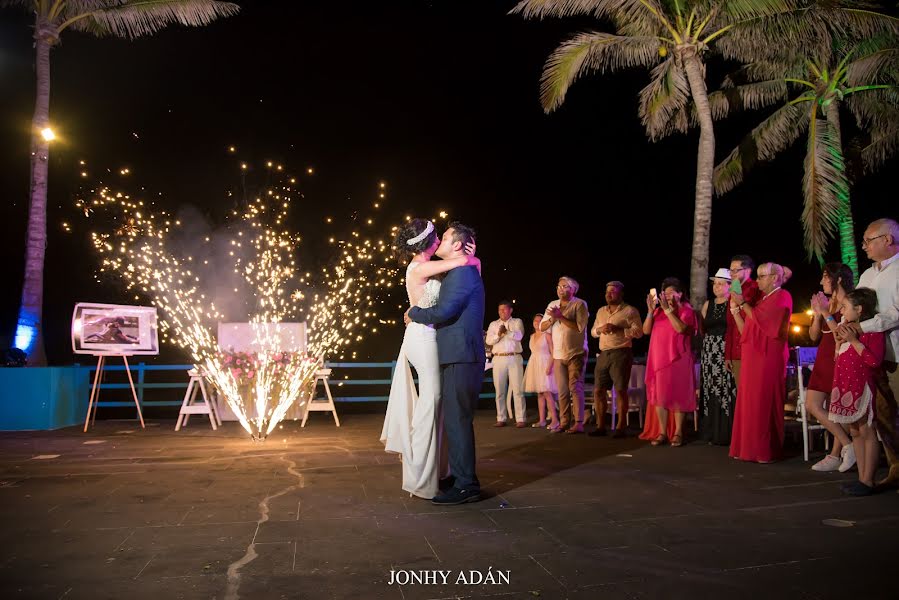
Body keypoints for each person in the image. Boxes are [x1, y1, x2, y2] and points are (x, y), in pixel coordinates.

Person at [380, 219, 478, 500]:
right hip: (421, 338)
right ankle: (420, 476)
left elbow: (465, 264)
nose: (440, 241)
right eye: (438, 236)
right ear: (430, 242)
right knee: (431, 402)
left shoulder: (426, 264)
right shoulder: (421, 267)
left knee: (436, 405)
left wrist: (469, 255)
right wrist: (469, 253)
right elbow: (463, 264)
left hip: (427, 335)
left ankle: (436, 471)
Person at [406, 221, 486, 505]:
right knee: (454, 419)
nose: (439, 241)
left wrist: (414, 313)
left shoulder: (462, 272)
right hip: (456, 353)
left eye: (446, 236)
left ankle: (467, 485)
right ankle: (457, 475)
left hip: (461, 354)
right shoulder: (461, 268)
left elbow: (445, 309)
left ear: (456, 245)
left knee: (458, 420)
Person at [841, 218, 899, 487]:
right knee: (883, 416)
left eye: (869, 241)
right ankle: (894, 469)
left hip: (895, 352)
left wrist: (860, 326)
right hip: (873, 356)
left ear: (888, 240)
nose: (864, 246)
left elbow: (895, 314)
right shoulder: (867, 275)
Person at [729, 262, 793, 463]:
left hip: (768, 357)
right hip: (752, 356)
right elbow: (747, 327)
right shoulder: (762, 299)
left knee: (764, 402)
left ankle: (765, 450)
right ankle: (747, 448)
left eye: (762, 276)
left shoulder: (782, 296)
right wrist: (735, 307)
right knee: (749, 401)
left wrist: (743, 305)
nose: (757, 281)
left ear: (774, 278)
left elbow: (763, 322)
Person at [828, 288, 885, 496]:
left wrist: (854, 341)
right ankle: (861, 478)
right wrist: (839, 343)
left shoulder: (871, 331)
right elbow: (839, 358)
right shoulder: (846, 328)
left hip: (862, 386)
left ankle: (868, 480)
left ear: (859, 309)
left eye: (845, 307)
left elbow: (873, 361)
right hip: (846, 385)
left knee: (867, 431)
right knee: (855, 431)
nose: (841, 310)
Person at [807, 263, 855, 473]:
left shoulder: (848, 302)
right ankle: (848, 444)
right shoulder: (827, 303)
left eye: (825, 277)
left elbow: (841, 335)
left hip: (840, 357)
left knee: (837, 409)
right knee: (812, 404)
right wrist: (818, 314)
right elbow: (813, 336)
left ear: (839, 279)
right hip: (823, 357)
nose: (821, 282)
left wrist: (825, 312)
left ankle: (836, 454)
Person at [639, 277, 697, 447]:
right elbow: (646, 330)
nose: (668, 295)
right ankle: (662, 432)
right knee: (660, 396)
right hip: (659, 359)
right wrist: (650, 311)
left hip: (679, 359)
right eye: (666, 293)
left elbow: (681, 329)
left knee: (679, 394)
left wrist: (669, 311)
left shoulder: (687, 311)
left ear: (680, 294)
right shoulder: (658, 312)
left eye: (672, 292)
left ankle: (678, 432)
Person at [588, 281, 643, 438]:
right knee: (598, 390)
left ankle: (620, 427)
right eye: (607, 292)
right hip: (604, 353)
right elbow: (593, 332)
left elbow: (639, 332)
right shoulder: (601, 311)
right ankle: (600, 426)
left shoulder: (629, 311)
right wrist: (600, 329)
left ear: (620, 294)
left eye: (613, 291)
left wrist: (619, 329)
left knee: (620, 390)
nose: (609, 294)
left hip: (621, 352)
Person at [541, 277, 589, 434]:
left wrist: (561, 317)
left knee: (575, 387)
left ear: (573, 289)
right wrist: (553, 319)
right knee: (562, 390)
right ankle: (564, 422)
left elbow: (580, 327)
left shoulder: (579, 304)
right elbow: (542, 326)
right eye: (559, 286)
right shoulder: (552, 305)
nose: (560, 289)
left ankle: (579, 422)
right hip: (558, 354)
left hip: (576, 352)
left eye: (565, 286)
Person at [699, 269, 737, 445]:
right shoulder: (708, 304)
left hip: (725, 349)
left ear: (730, 286)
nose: (716, 287)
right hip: (709, 350)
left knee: (725, 389)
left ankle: (726, 433)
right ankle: (710, 432)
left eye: (721, 283)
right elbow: (703, 328)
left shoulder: (733, 302)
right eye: (715, 283)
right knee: (710, 389)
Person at [485, 301, 527, 427]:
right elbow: (488, 340)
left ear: (510, 310)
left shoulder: (517, 322)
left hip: (514, 357)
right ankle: (501, 418)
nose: (502, 312)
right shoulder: (494, 324)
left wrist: (507, 332)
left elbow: (519, 336)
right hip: (498, 358)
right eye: (500, 310)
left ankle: (521, 418)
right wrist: (499, 335)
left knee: (518, 389)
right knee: (499, 390)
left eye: (504, 309)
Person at [725, 255, 762, 387]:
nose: (732, 273)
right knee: (741, 393)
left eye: (736, 270)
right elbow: (730, 324)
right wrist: (728, 354)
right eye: (731, 270)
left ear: (748, 270)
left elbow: (756, 319)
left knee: (751, 391)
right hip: (736, 351)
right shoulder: (733, 290)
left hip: (751, 349)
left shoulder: (756, 289)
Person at [523, 313, 559, 430]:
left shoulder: (546, 335)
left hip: (545, 363)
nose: (537, 323)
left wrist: (549, 366)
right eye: (535, 321)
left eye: (540, 320)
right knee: (540, 394)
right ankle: (542, 420)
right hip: (534, 364)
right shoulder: (532, 336)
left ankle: (555, 420)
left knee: (547, 393)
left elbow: (553, 351)